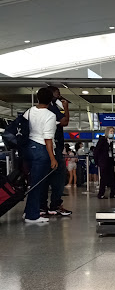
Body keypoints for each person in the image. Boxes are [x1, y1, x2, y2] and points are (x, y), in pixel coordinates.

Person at [22, 87, 58, 223]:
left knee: (32, 182)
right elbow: (48, 139)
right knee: (38, 184)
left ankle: (28, 211)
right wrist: (53, 158)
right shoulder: (50, 115)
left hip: (28, 148)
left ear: (37, 98)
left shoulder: (29, 111)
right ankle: (32, 216)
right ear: (51, 100)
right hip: (41, 150)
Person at [40, 86, 71, 216]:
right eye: (58, 93)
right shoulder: (52, 109)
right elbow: (64, 121)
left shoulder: (35, 110)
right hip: (53, 147)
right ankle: (55, 205)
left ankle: (42, 206)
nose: (59, 96)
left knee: (44, 177)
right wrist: (66, 108)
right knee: (58, 176)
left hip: (41, 148)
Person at [95, 127, 115, 199]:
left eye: (113, 132)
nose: (112, 133)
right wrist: (97, 162)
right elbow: (96, 151)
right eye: (111, 131)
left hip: (109, 161)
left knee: (112, 178)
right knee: (103, 178)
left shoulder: (110, 141)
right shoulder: (102, 140)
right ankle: (101, 194)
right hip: (103, 161)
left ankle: (113, 193)